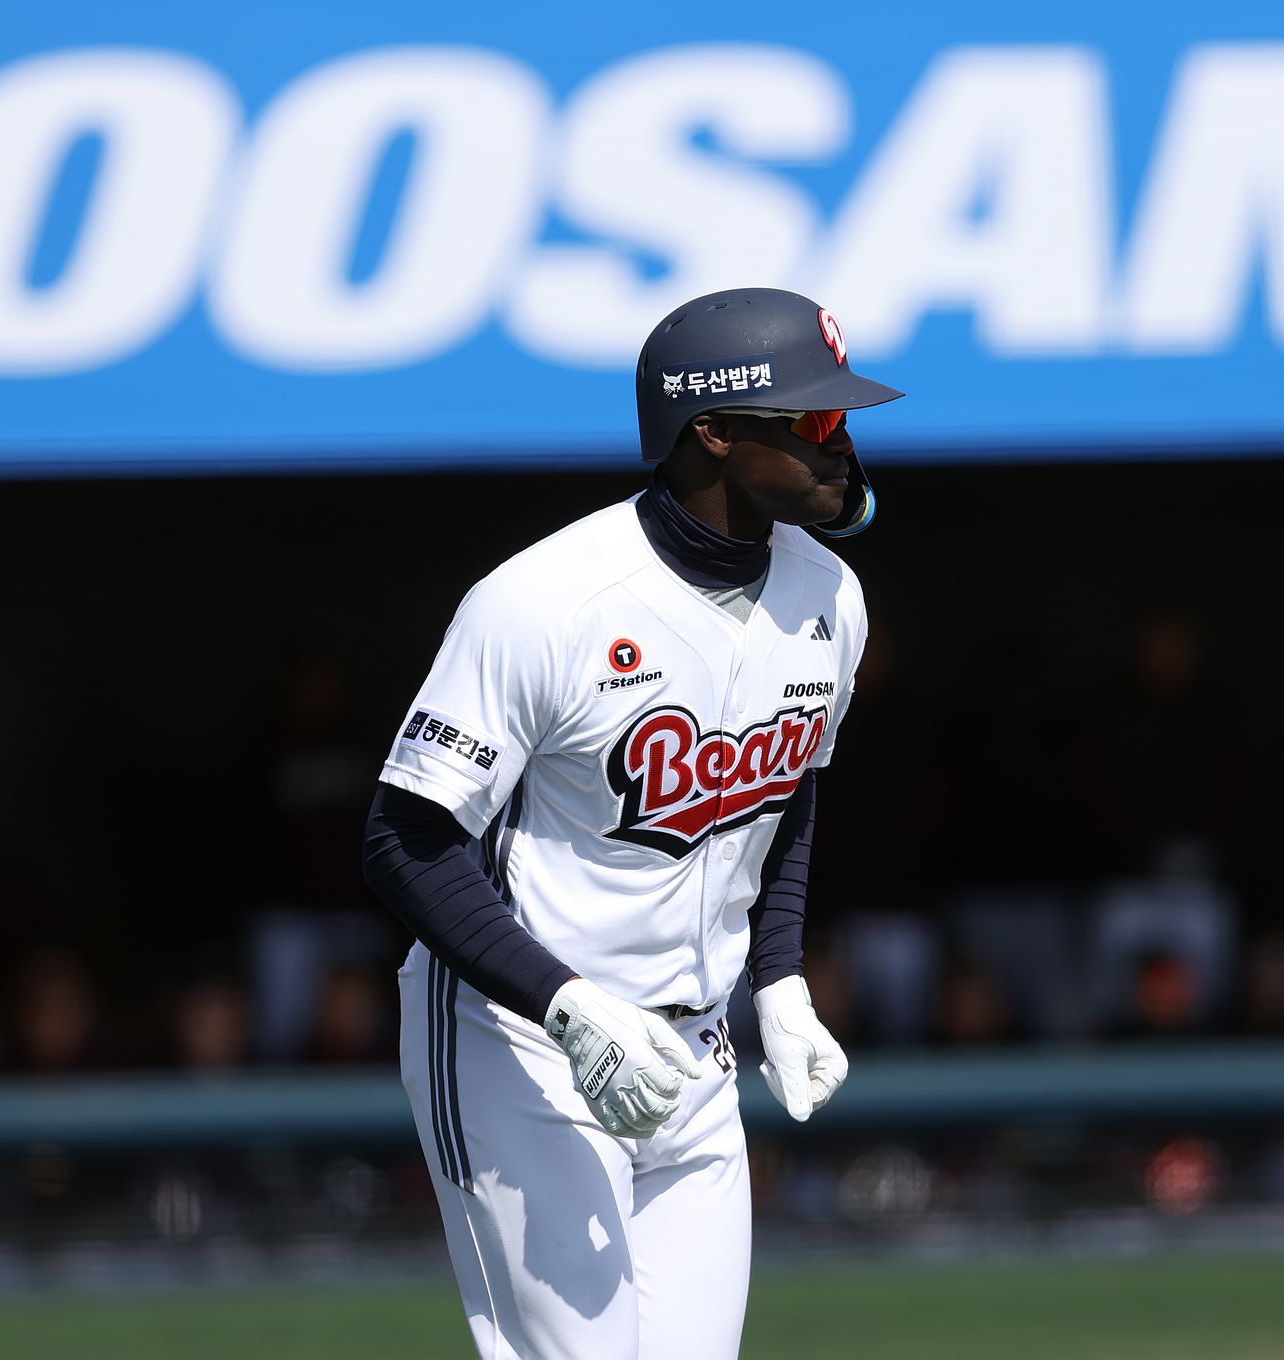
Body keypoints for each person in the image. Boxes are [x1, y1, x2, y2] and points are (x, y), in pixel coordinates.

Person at [362, 287, 901, 1360]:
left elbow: (784, 792)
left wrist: (779, 979)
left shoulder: (829, 598)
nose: (841, 444)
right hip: (515, 1035)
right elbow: (401, 841)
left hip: (695, 1049)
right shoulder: (544, 600)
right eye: (812, 420)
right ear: (710, 430)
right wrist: (565, 1006)